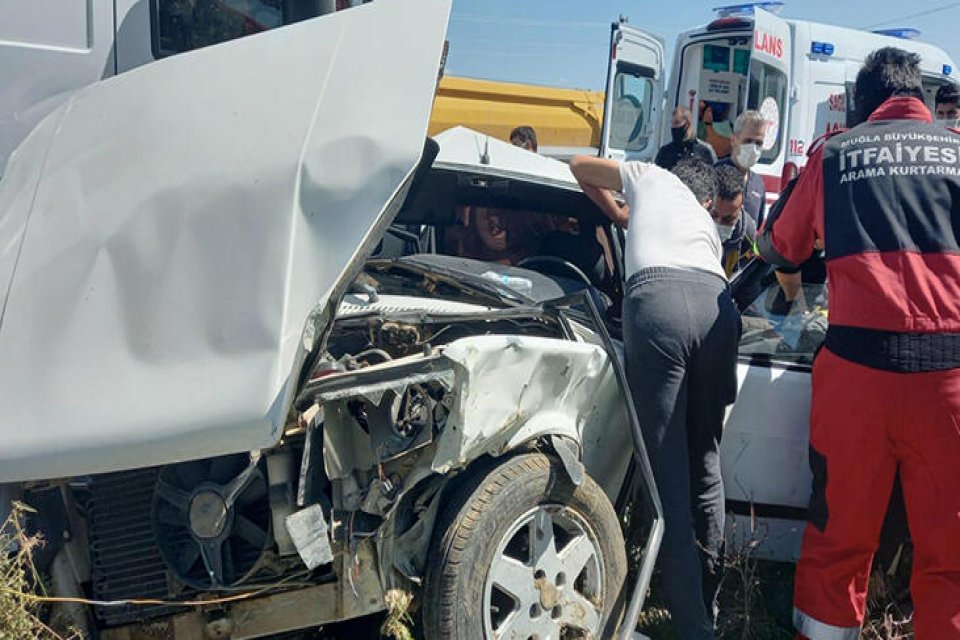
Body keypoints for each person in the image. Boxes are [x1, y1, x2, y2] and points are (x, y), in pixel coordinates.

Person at [758, 47, 960, 639]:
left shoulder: (835, 153)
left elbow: (782, 250)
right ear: (920, 98)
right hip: (950, 383)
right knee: (950, 550)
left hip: (856, 381)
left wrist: (793, 303)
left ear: (860, 103)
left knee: (838, 539)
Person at [570, 155, 739, 640]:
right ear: (707, 200)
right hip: (715, 303)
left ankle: (692, 630)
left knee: (667, 479)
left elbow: (579, 168)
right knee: (705, 465)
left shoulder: (649, 174)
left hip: (658, 302)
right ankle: (708, 608)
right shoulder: (702, 222)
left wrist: (621, 214)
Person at [718, 110, 767, 227]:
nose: (753, 148)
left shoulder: (758, 185)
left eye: (758, 143)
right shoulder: (715, 175)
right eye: (748, 141)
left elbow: (757, 227)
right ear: (733, 140)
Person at [713, 163, 756, 277]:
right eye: (713, 215)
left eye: (728, 219)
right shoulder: (686, 223)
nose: (718, 223)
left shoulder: (748, 236)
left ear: (741, 207)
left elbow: (748, 286)